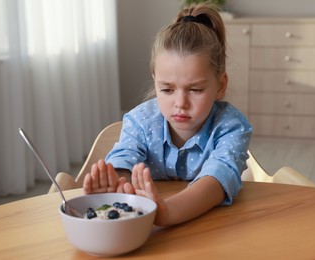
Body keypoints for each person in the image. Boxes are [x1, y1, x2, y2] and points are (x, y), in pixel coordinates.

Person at [83, 2, 252, 226]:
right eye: (167, 89)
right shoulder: (140, 121)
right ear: (155, 79)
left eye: (195, 90)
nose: (180, 103)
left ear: (220, 85)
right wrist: (118, 184)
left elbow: (218, 180)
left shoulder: (231, 126)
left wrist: (168, 211)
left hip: (215, 229)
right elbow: (124, 160)